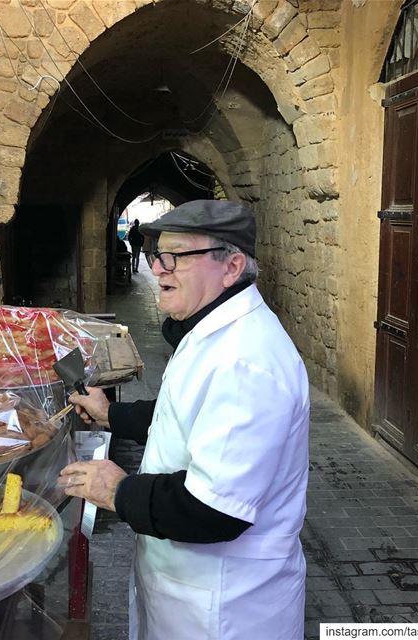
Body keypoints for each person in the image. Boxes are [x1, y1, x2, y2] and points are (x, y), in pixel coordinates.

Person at [61, 200, 310, 640]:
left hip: (224, 605)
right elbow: (185, 411)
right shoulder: (209, 328)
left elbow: (213, 509)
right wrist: (111, 413)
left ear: (231, 266)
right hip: (186, 590)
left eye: (177, 256)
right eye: (158, 254)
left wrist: (118, 490)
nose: (158, 268)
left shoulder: (244, 361)